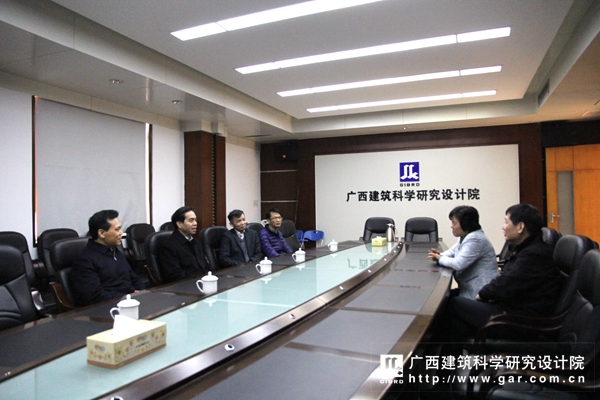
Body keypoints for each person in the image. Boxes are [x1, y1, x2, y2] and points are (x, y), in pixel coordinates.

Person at [442, 204, 563, 339]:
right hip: (511, 310)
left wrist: (482, 295)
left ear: (520, 227)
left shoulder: (534, 255)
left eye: (506, 222)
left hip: (520, 320)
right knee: (455, 325)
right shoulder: (527, 249)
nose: (503, 227)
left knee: (452, 303)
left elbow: (507, 283)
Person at [71, 210, 145, 306]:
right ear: (101, 233)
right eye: (117, 229)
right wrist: (127, 297)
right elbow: (95, 296)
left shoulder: (116, 252)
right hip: (107, 308)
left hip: (129, 303)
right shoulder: (84, 260)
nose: (121, 233)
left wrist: (142, 293)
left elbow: (134, 279)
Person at [428, 206, 499, 299]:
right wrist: (439, 255)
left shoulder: (475, 239)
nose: (451, 226)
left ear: (465, 223)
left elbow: (458, 264)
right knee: (440, 297)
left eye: (454, 223)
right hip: (468, 289)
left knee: (442, 301)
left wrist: (440, 258)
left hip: (480, 293)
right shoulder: (465, 236)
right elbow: (452, 252)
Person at [159, 206, 208, 282]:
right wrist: (199, 279)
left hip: (203, 282)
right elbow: (175, 275)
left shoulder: (195, 242)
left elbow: (205, 266)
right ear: (179, 224)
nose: (195, 223)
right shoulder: (169, 246)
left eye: (195, 220)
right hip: (186, 285)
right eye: (191, 220)